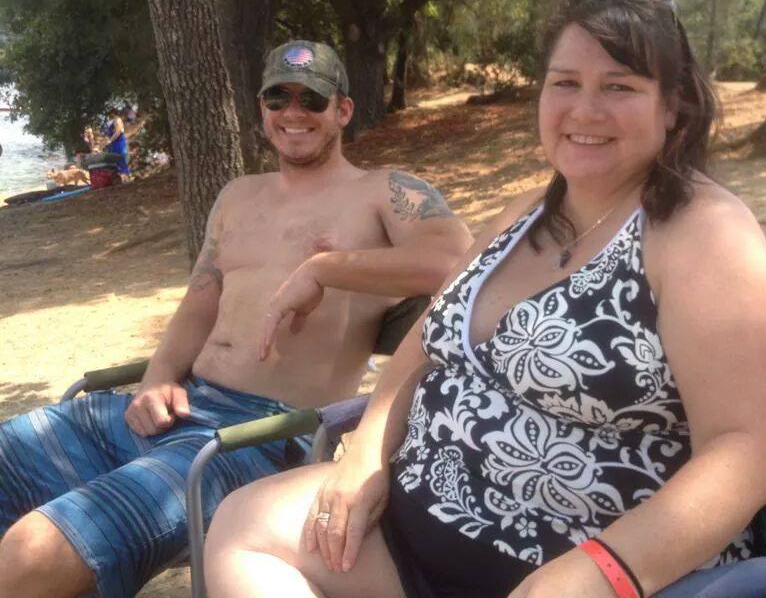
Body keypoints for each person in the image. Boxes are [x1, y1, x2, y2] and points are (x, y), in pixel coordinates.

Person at [204, 0, 766, 598]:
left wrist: (600, 570)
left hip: (578, 565)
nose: (584, 109)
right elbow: (425, 343)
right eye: (565, 82)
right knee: (244, 527)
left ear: (674, 106)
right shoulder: (526, 215)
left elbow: (748, 452)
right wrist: (365, 458)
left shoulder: (704, 234)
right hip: (415, 527)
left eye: (619, 86)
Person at [0, 39, 473, 598]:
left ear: (342, 110)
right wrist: (157, 377)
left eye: (312, 99)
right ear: (261, 110)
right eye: (278, 98)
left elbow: (458, 264)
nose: (293, 113)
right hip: (178, 407)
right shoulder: (236, 196)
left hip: (257, 437)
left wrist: (324, 268)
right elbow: (201, 299)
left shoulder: (386, 192)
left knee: (32, 552)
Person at [103, 108, 131, 179]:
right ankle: (118, 177)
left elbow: (119, 131)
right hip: (113, 143)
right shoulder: (111, 121)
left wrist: (110, 140)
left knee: (120, 157)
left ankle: (126, 176)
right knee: (113, 160)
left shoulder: (117, 120)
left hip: (118, 142)